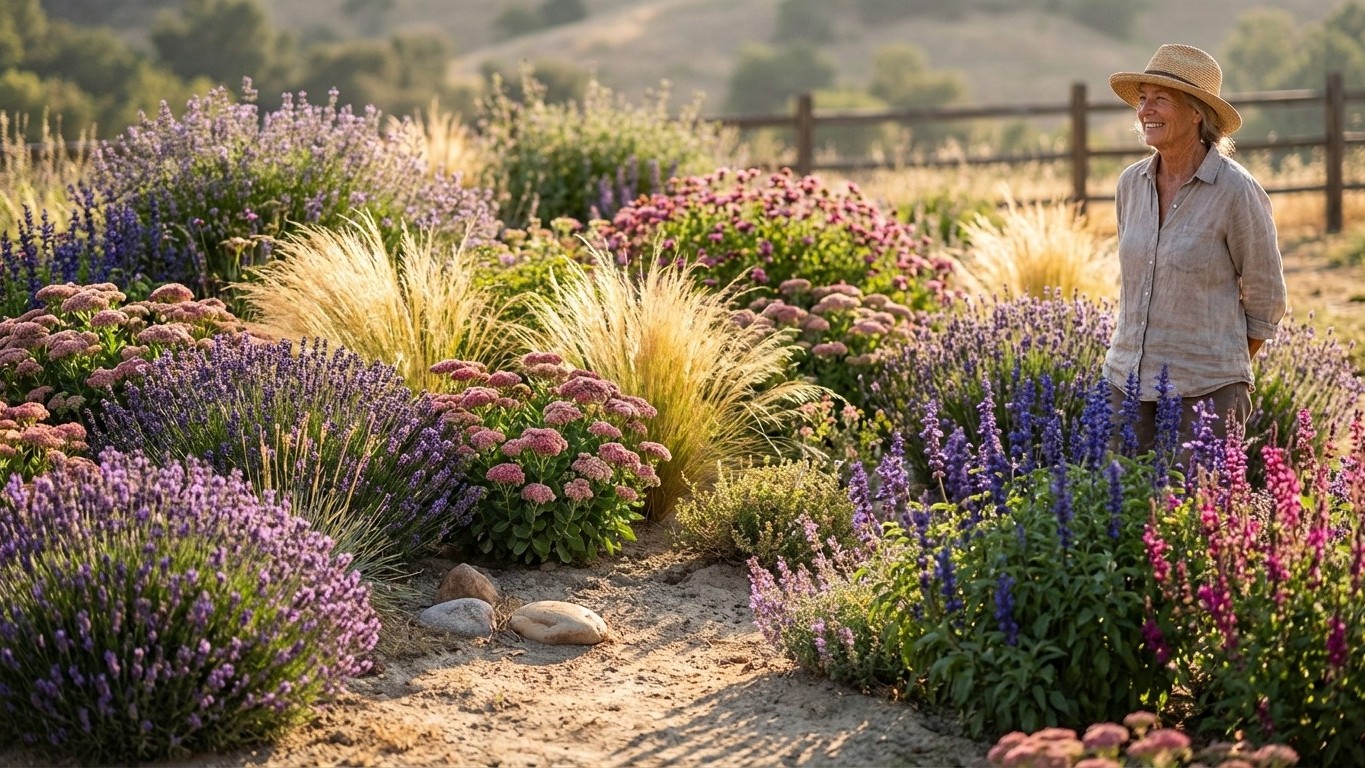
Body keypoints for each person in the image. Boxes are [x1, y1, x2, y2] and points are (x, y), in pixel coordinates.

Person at [1103, 43, 1288, 453]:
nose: (1146, 110)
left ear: (1196, 112)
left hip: (1206, 395)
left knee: (1194, 512)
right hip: (1125, 384)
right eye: (1142, 99)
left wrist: (1221, 369)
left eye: (1161, 99)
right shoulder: (1130, 185)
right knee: (1113, 509)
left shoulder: (1236, 191)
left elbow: (1267, 299)